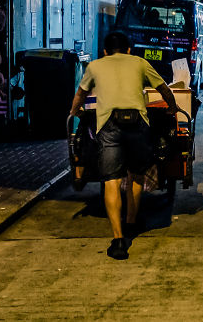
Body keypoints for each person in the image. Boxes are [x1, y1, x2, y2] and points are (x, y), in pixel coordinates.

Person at [69, 31, 180, 260]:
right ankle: (131, 223)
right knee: (137, 174)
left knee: (112, 180)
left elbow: (80, 94)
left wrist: (75, 112)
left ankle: (118, 239)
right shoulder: (139, 62)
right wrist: (171, 108)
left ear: (105, 51)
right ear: (129, 50)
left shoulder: (95, 66)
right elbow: (164, 89)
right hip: (137, 122)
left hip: (109, 125)